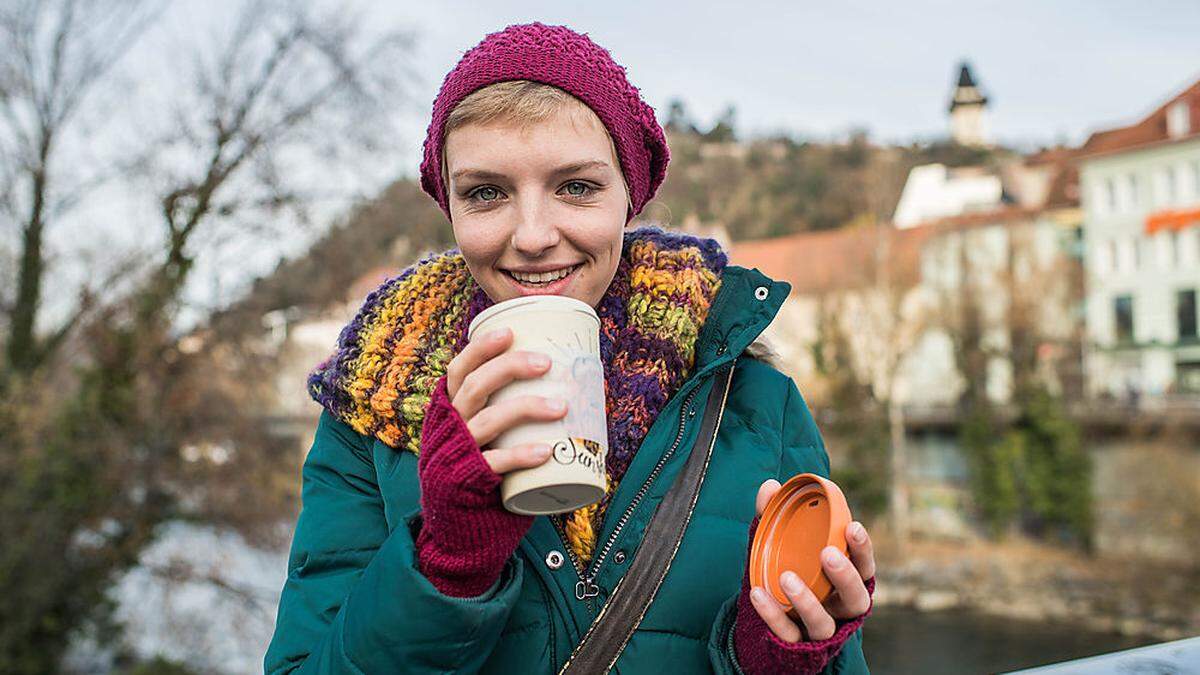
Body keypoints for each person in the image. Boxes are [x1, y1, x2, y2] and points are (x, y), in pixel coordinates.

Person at [264, 21, 875, 674]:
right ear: (451, 209)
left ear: (628, 197)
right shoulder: (371, 416)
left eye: (576, 187)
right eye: (486, 193)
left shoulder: (753, 401)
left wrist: (772, 657)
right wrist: (446, 563)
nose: (532, 235)